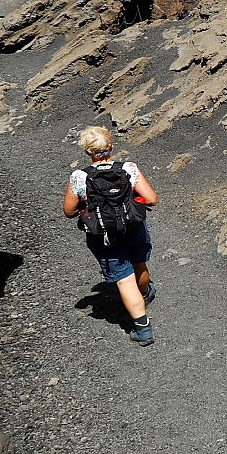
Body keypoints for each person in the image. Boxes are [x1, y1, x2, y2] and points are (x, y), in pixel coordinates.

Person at [61, 126, 160, 346]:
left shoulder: (80, 176)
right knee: (139, 263)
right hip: (133, 227)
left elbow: (68, 211)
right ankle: (144, 293)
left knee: (124, 281)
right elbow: (152, 199)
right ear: (111, 146)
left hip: (103, 235)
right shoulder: (128, 168)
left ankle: (143, 329)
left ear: (87, 151)